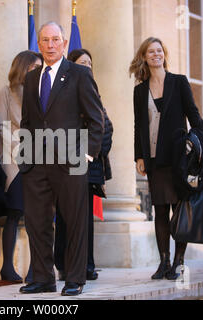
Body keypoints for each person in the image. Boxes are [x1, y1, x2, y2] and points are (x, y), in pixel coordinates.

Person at [19, 22, 105, 296]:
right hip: (36, 164)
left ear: (64, 43)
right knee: (37, 223)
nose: (50, 45)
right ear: (39, 44)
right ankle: (43, 278)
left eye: (56, 39)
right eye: (45, 40)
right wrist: (25, 157)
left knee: (75, 222)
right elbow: (27, 121)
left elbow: (96, 120)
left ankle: (75, 279)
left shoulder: (79, 74)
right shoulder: (32, 78)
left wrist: (87, 154)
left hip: (71, 162)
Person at [129, 37, 203, 280]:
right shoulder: (140, 91)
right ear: (144, 57)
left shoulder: (179, 82)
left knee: (180, 210)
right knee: (160, 210)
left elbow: (194, 116)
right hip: (154, 159)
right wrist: (138, 156)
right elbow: (138, 125)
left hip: (179, 158)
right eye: (150, 52)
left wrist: (197, 144)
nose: (155, 54)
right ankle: (163, 262)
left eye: (159, 50)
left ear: (164, 54)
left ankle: (179, 262)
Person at [54, 48, 113, 282]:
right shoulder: (63, 92)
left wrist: (92, 153)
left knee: (84, 219)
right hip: (64, 165)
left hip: (89, 166)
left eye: (89, 62)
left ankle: (87, 265)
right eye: (81, 62)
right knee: (65, 217)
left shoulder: (93, 92)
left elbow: (105, 127)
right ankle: (63, 264)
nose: (86, 66)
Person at [0, 50, 43, 282]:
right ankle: (7, 268)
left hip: (40, 162)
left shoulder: (44, 91)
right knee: (14, 213)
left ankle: (36, 268)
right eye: (34, 67)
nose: (37, 70)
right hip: (14, 162)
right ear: (23, 67)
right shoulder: (6, 92)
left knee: (38, 216)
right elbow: (1, 127)